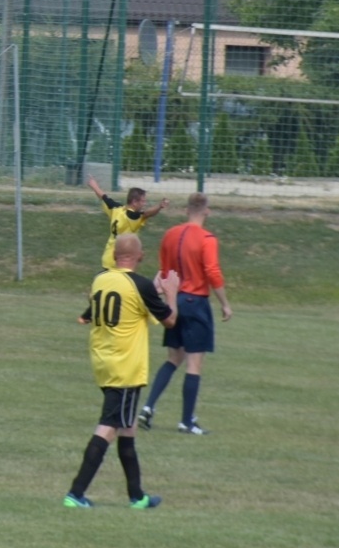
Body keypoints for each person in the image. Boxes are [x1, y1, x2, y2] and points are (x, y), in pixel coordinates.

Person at [65, 233, 181, 509]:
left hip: (104, 362)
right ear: (139, 256)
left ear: (116, 255)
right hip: (126, 367)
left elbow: (127, 302)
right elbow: (170, 320)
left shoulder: (101, 279)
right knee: (109, 426)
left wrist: (153, 289)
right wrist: (172, 292)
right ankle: (75, 493)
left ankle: (137, 496)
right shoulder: (140, 286)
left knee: (127, 428)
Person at [139, 192, 233, 435]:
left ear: (186, 210)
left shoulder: (171, 234)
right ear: (207, 211)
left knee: (173, 359)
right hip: (196, 302)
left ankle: (148, 407)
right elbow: (212, 271)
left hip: (175, 300)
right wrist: (224, 303)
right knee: (194, 363)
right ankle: (186, 421)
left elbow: (165, 270)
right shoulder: (207, 239)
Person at [85, 177, 168, 269]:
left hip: (108, 258)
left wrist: (94, 185)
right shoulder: (132, 216)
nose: (144, 204)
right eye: (143, 201)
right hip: (122, 262)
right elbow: (147, 214)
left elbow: (103, 197)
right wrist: (159, 206)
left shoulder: (116, 209)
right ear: (134, 202)